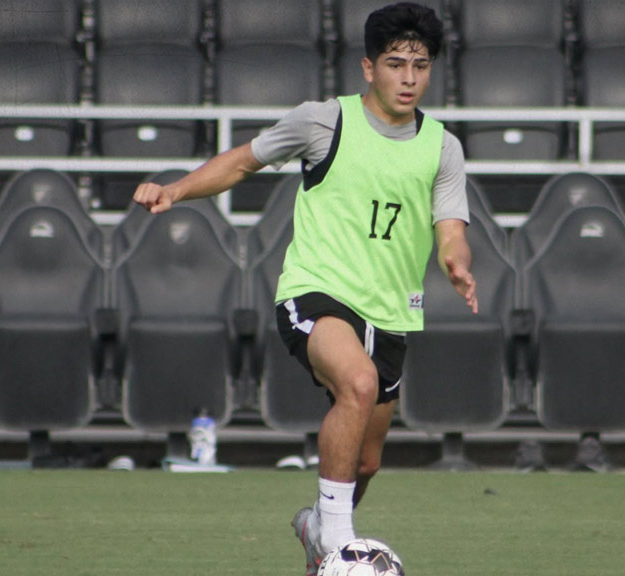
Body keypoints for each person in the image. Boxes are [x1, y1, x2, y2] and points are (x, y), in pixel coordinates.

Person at [133, 4, 476, 574]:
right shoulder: (324, 121)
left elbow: (450, 232)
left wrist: (456, 263)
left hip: (391, 311)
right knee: (357, 381)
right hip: (316, 292)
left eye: (420, 65)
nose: (409, 78)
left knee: (364, 465)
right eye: (396, 64)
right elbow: (243, 163)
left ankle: (319, 526)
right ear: (369, 68)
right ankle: (339, 542)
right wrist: (176, 190)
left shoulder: (442, 147)